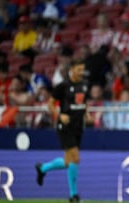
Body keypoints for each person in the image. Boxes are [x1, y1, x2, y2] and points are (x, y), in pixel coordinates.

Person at [35, 60, 91, 203]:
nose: (81, 72)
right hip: (65, 126)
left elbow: (83, 102)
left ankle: (43, 168)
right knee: (75, 158)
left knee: (68, 162)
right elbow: (50, 104)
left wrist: (87, 113)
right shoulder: (63, 86)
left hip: (78, 126)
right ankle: (74, 195)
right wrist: (60, 115)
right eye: (78, 69)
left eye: (82, 69)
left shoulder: (84, 85)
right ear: (72, 69)